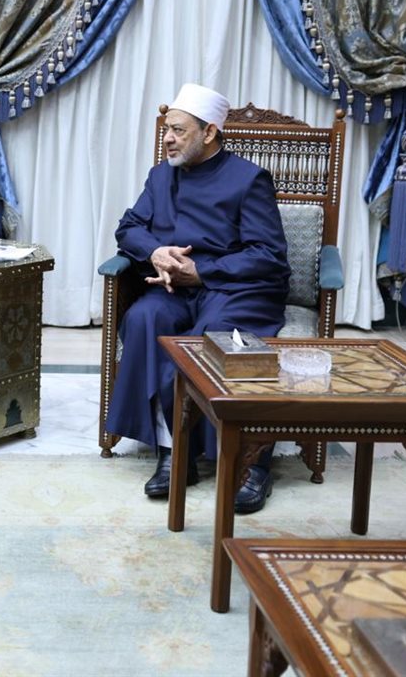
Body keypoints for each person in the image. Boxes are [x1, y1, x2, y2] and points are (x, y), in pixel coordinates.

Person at [105, 83, 290, 514]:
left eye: (178, 130)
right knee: (143, 319)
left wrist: (201, 271)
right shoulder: (160, 176)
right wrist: (155, 251)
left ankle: (252, 461)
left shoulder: (249, 179)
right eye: (166, 129)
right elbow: (128, 228)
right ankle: (174, 452)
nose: (168, 139)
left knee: (216, 337)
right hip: (174, 290)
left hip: (234, 289)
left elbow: (268, 255)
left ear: (209, 133)